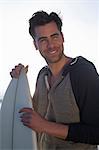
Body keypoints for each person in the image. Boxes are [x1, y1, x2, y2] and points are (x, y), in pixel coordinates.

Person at [10, 11, 99, 150]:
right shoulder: (42, 75)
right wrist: (20, 79)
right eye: (43, 40)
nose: (51, 45)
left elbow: (96, 133)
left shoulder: (82, 72)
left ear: (62, 37)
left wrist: (45, 126)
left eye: (54, 36)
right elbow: (32, 114)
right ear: (35, 44)